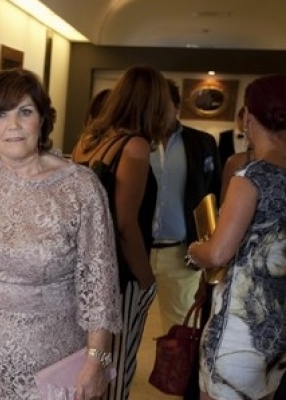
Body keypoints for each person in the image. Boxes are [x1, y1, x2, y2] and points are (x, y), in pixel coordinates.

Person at [0, 68, 121, 400]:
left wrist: (97, 360)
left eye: (25, 111)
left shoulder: (80, 187)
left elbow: (100, 285)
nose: (14, 125)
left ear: (41, 119)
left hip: (49, 364)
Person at [72, 64, 171, 400]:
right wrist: (146, 279)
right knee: (113, 369)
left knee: (87, 362)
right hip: (118, 275)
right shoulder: (134, 145)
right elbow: (126, 223)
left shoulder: (88, 141)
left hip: (82, 270)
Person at [187, 74, 286, 400]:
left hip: (240, 329)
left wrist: (195, 249)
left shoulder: (250, 177)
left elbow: (218, 254)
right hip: (278, 326)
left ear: (248, 118)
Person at [150, 79, 222, 400]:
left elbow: (213, 197)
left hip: (181, 252)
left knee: (180, 330)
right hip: (135, 250)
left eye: (163, 105)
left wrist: (207, 250)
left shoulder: (201, 143)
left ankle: (179, 390)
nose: (156, 112)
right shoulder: (135, 142)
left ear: (177, 106)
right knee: (120, 325)